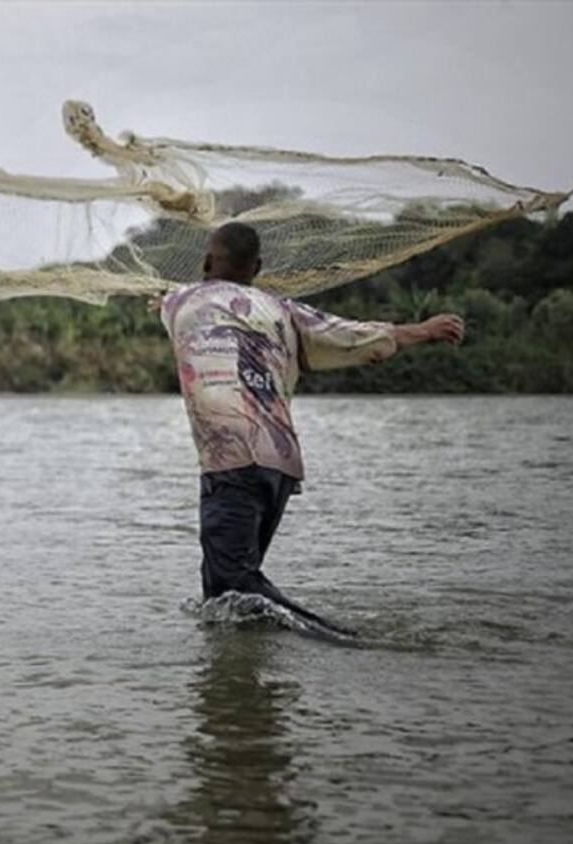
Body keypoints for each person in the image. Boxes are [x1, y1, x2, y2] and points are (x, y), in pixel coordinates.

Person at [159, 222, 464, 630]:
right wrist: (422, 330)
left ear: (207, 262)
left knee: (232, 590)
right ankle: (244, 682)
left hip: (232, 461)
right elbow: (351, 335)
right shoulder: (283, 310)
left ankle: (341, 639)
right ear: (258, 267)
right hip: (278, 465)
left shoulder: (180, 300)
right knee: (229, 601)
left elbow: (168, 302)